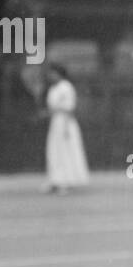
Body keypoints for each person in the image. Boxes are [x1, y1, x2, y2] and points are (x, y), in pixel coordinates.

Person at [43, 63, 90, 194]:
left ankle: (67, 182)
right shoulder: (53, 88)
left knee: (66, 151)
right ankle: (55, 181)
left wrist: (66, 128)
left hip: (65, 122)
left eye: (53, 73)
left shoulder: (66, 87)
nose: (50, 76)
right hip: (55, 123)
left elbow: (69, 107)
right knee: (54, 151)